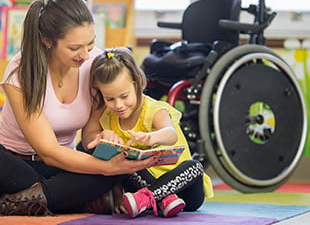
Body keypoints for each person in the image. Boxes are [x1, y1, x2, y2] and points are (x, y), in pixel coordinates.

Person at [0, 0, 159, 218]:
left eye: (90, 43)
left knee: (113, 164)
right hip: (15, 165)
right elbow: (49, 151)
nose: (86, 54)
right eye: (75, 48)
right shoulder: (21, 69)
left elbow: (90, 133)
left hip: (64, 165)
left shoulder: (96, 63)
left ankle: (0, 204)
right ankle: (74, 200)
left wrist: (107, 138)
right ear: (47, 41)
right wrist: (107, 168)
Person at [85, 47, 214, 218]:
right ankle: (161, 199)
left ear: (138, 81)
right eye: (110, 99)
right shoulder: (108, 116)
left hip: (185, 192)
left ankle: (149, 198)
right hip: (144, 183)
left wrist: (151, 137)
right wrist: (101, 137)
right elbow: (90, 143)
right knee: (118, 159)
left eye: (124, 96)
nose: (119, 105)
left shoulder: (154, 110)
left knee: (195, 166)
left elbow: (170, 133)